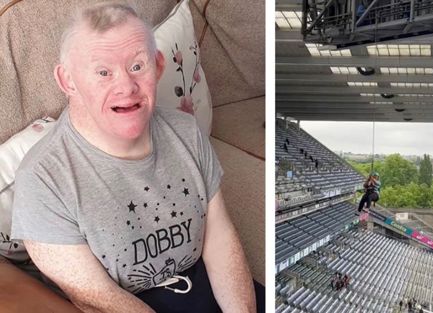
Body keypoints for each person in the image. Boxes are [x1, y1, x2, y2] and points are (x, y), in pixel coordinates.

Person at [11, 3, 256, 313]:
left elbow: (219, 237)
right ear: (68, 81)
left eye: (137, 66)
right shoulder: (42, 179)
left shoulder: (186, 131)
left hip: (199, 281)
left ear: (158, 66)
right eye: (103, 72)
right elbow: (93, 296)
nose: (126, 86)